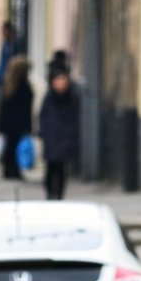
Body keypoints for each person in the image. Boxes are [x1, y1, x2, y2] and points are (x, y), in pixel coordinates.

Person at [38, 66, 80, 200]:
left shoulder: (72, 98)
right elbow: (43, 116)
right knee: (51, 168)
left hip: (65, 139)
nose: (60, 84)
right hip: (52, 137)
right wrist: (43, 132)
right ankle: (50, 193)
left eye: (63, 80)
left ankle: (59, 195)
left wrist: (72, 136)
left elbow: (75, 118)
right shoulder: (49, 98)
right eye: (58, 80)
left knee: (61, 169)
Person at [0, 55, 34, 180]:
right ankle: (13, 169)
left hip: (9, 124)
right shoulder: (22, 87)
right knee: (14, 147)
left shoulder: (8, 85)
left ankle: (9, 168)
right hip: (17, 124)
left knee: (10, 146)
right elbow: (25, 109)